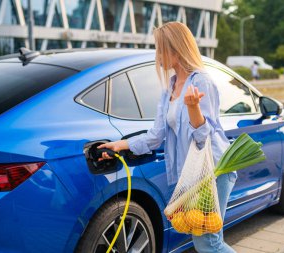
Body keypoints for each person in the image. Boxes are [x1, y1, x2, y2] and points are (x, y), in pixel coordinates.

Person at [97, 21, 237, 253]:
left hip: (213, 170)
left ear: (176, 49)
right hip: (192, 175)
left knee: (208, 242)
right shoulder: (169, 88)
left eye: (159, 48)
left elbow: (203, 137)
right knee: (204, 241)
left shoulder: (201, 81)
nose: (157, 55)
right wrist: (119, 145)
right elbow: (156, 136)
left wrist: (193, 108)